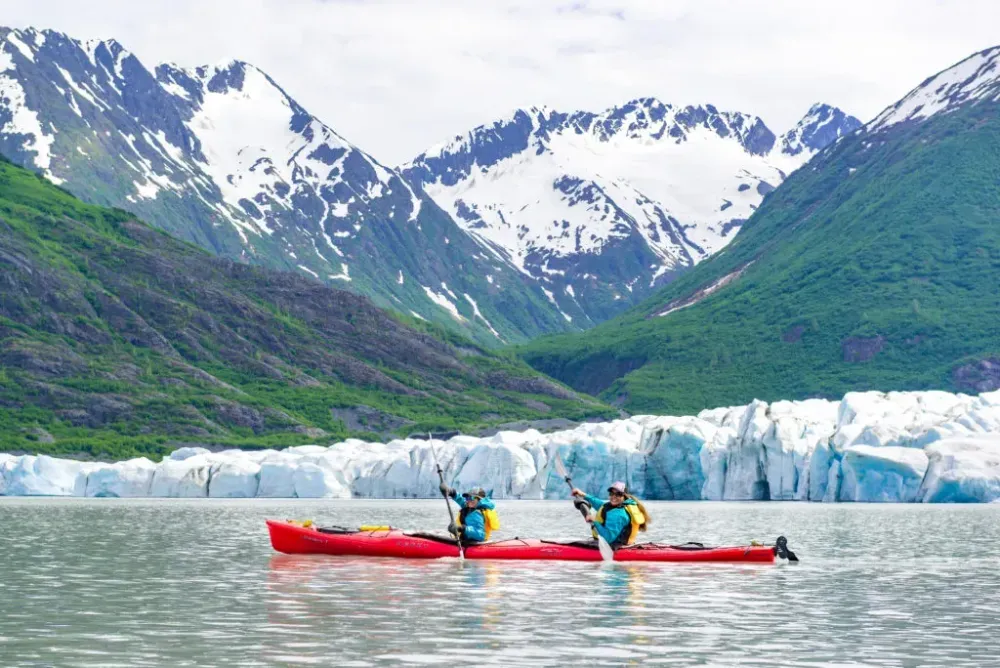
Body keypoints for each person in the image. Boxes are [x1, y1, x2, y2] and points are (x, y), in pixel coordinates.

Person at [571, 481, 649, 549]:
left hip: (613, 545)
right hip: (622, 544)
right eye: (611, 493)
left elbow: (608, 538)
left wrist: (594, 521)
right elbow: (600, 505)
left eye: (618, 494)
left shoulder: (619, 514)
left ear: (624, 496)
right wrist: (583, 495)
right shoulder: (620, 506)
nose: (614, 496)